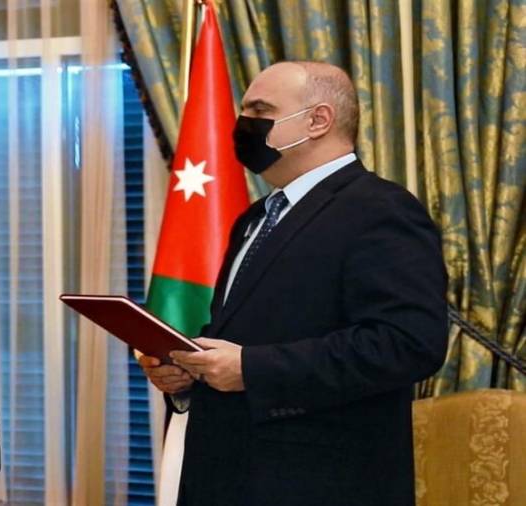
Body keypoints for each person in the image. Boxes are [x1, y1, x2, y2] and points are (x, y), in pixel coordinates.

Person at [139, 61, 448, 506]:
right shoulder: (255, 218)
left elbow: (407, 344)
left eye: (260, 110)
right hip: (226, 477)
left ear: (318, 120)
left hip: (322, 484)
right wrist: (190, 374)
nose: (243, 124)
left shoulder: (381, 209)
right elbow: (242, 334)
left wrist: (251, 369)